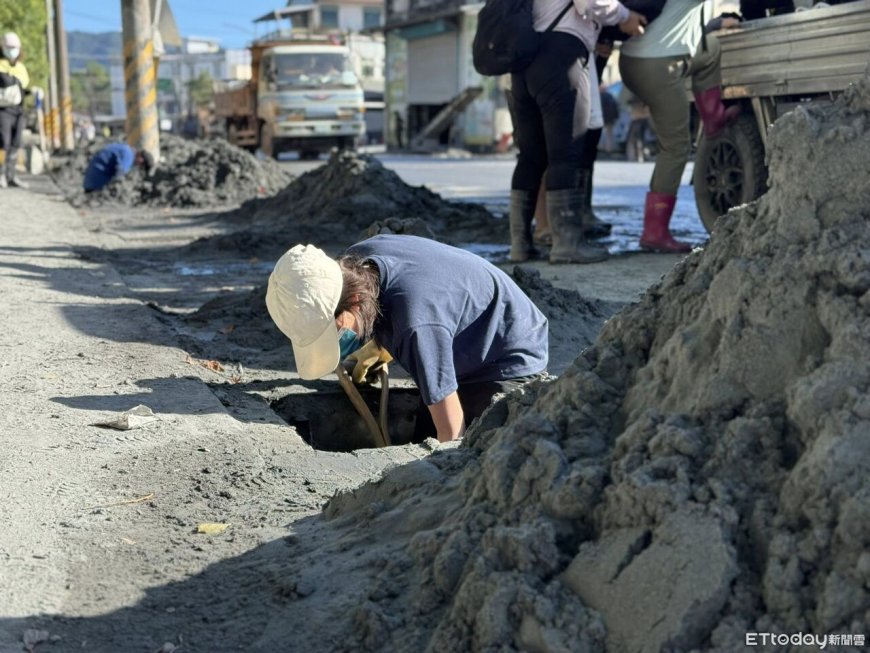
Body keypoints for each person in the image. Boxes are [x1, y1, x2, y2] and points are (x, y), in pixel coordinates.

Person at [265, 236, 549, 442]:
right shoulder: (358, 263)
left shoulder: (416, 326)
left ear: (354, 299)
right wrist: (380, 344)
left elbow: (452, 437)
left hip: (507, 351)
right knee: (425, 430)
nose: (339, 340)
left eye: (337, 331)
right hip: (455, 326)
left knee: (467, 441)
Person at [507, 0, 645, 264]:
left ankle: (520, 245)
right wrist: (625, 15)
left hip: (523, 57)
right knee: (565, 153)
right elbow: (590, 2)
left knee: (531, 156)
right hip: (561, 54)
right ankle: (567, 244)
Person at [619, 0, 739, 253]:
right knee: (676, 146)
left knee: (710, 47)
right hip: (657, 64)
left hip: (636, 58)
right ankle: (655, 232)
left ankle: (712, 116)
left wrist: (717, 23)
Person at [0, 32, 30, 189]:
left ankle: (11, 175)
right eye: (9, 47)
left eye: (14, 48)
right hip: (2, 110)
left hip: (18, 110)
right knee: (3, 142)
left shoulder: (21, 68)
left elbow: (24, 86)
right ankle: (0, 174)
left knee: (15, 143)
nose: (12, 51)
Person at [82, 142, 155, 192]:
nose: (139, 166)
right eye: (141, 165)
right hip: (98, 180)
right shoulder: (129, 155)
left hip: (92, 177)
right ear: (141, 158)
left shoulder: (125, 148)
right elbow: (120, 173)